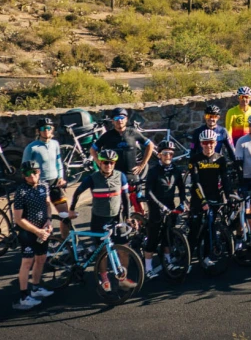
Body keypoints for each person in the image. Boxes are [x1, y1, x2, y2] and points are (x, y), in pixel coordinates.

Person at [69, 149, 134, 292]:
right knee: (103, 250)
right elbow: (78, 191)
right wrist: (72, 208)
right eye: (105, 162)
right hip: (99, 219)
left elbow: (126, 198)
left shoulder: (121, 176)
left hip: (117, 217)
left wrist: (128, 217)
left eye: (111, 163)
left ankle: (123, 278)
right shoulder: (93, 178)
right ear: (100, 163)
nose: (108, 165)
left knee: (124, 248)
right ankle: (104, 278)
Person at [91, 107, 152, 216]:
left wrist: (142, 165)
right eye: (117, 118)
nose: (120, 120)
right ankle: (121, 227)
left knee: (138, 204)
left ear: (126, 119)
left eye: (122, 117)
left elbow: (150, 145)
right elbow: (93, 149)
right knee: (118, 206)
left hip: (132, 175)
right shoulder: (107, 136)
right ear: (113, 121)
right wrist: (100, 164)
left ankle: (141, 226)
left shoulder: (133, 132)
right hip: (115, 176)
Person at [187, 130, 233, 268]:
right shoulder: (194, 160)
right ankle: (187, 260)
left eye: (211, 142)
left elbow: (225, 180)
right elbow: (196, 182)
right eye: (205, 143)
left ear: (216, 143)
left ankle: (207, 256)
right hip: (199, 197)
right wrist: (202, 201)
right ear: (201, 144)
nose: (208, 145)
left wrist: (229, 195)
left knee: (210, 228)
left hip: (214, 197)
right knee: (195, 230)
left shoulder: (220, 159)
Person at [12, 161, 54, 310]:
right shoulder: (21, 192)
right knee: (27, 262)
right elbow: (18, 219)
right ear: (24, 175)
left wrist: (49, 221)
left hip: (43, 230)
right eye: (29, 173)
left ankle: (35, 288)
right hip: (27, 232)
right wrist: (36, 231)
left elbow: (48, 204)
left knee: (41, 259)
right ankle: (24, 296)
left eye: (35, 171)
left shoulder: (44, 186)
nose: (33, 175)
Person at [143, 140, 187, 279]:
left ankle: (168, 261)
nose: (168, 156)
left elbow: (181, 188)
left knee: (168, 235)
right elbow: (148, 192)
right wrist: (160, 206)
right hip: (156, 206)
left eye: (171, 154)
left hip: (170, 205)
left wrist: (182, 202)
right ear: (159, 155)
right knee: (153, 237)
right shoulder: (154, 171)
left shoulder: (175, 170)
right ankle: (148, 267)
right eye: (165, 154)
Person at [22, 118, 68, 236]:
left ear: (52, 129)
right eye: (43, 129)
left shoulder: (55, 144)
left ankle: (66, 242)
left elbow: (59, 163)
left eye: (48, 128)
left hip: (55, 183)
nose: (46, 131)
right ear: (38, 131)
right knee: (44, 218)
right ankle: (47, 243)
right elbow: (24, 168)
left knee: (65, 215)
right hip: (40, 184)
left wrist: (61, 178)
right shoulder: (32, 148)